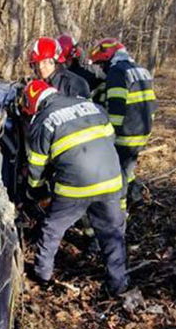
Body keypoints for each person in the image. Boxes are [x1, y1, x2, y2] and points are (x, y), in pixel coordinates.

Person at [22, 79, 141, 310]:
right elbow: (109, 140)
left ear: (33, 102)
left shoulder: (43, 121)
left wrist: (35, 190)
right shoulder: (92, 106)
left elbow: (36, 165)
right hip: (111, 180)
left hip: (74, 187)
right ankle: (118, 283)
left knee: (52, 228)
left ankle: (42, 275)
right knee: (112, 233)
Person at [90, 38, 155, 205]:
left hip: (127, 133)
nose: (101, 69)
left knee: (117, 174)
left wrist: (108, 135)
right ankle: (137, 198)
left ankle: (120, 211)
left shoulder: (117, 72)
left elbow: (117, 109)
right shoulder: (139, 69)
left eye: (101, 64)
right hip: (143, 130)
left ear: (108, 57)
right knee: (128, 167)